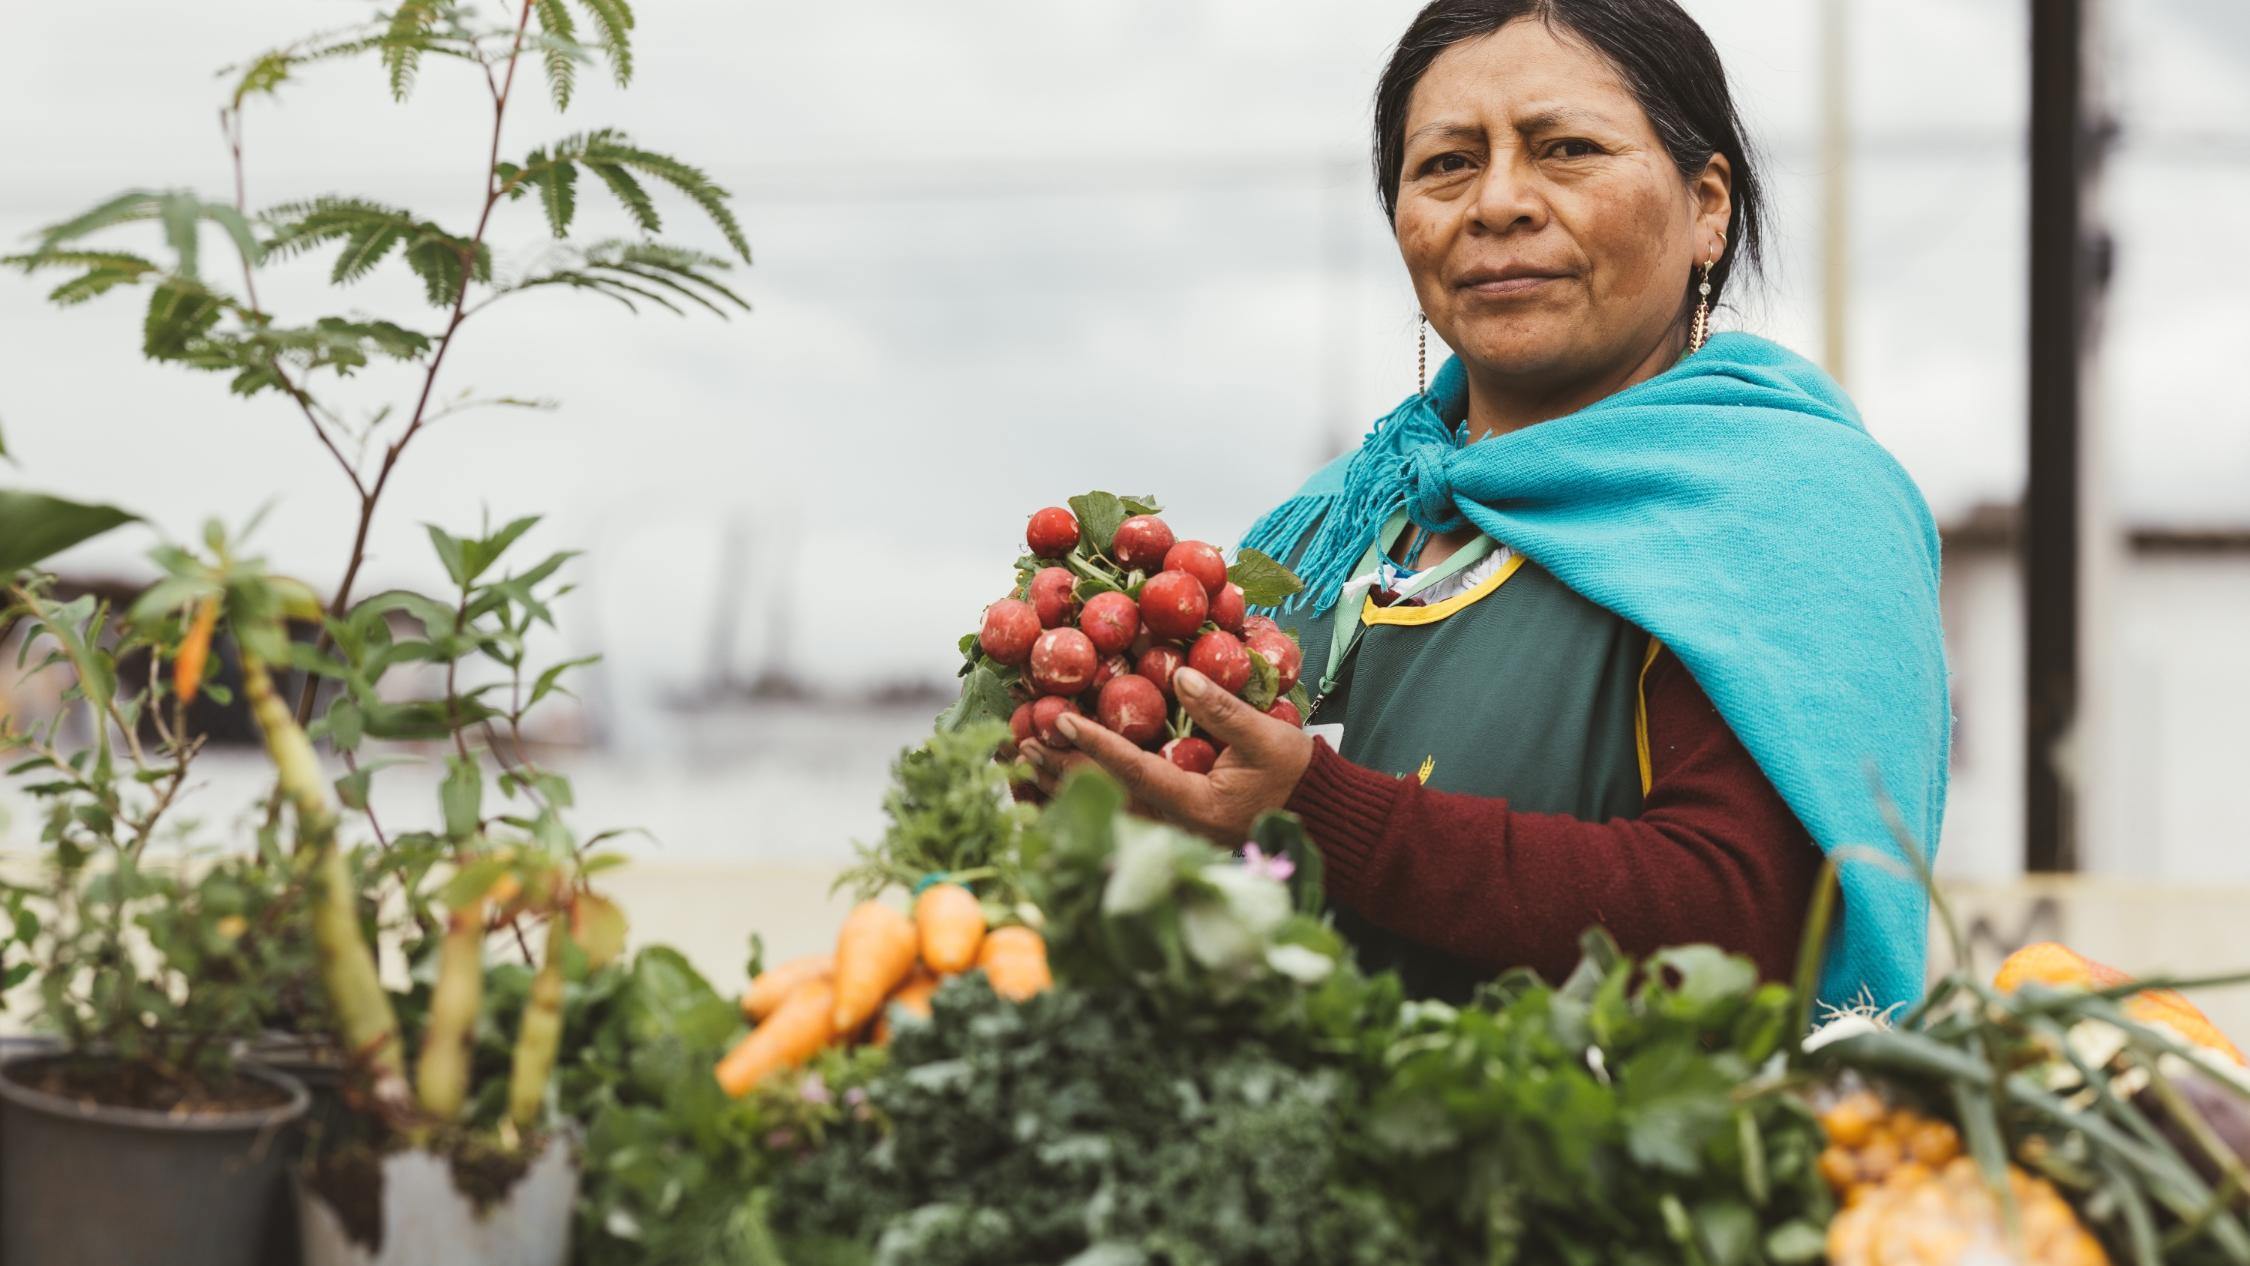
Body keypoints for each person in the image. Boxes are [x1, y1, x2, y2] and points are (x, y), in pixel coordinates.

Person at [1023, 0, 1950, 1012]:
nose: (1498, 202)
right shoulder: (1357, 516)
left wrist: (1315, 808)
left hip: (1626, 1154)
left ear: (1708, 206)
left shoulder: (1786, 505)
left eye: (1566, 149)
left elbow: (1746, 920)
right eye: (1447, 165)